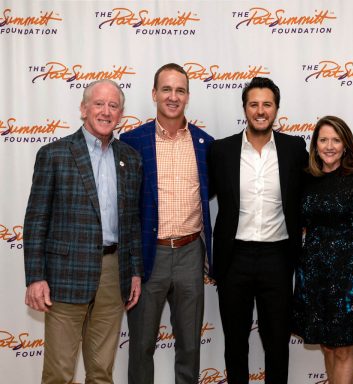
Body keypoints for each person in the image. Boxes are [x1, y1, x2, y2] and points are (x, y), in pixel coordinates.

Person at [23, 79, 143, 384]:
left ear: (121, 113)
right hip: (65, 273)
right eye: (99, 104)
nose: (106, 111)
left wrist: (135, 272)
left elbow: (131, 224)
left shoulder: (130, 158)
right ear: (83, 109)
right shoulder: (54, 154)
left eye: (113, 106)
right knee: (59, 373)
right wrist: (36, 277)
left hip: (114, 273)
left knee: (101, 372)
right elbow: (36, 220)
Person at [208, 77, 308, 384]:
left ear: (276, 109)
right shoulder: (221, 150)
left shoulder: (294, 148)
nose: (260, 111)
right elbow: (198, 194)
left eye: (267, 104)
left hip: (278, 257)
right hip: (233, 257)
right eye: (254, 104)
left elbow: (315, 187)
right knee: (235, 342)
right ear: (245, 108)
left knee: (277, 342)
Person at [120, 63, 214, 384]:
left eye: (180, 90)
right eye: (167, 89)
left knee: (189, 347)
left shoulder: (205, 144)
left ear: (187, 96)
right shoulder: (132, 141)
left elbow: (209, 194)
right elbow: (126, 207)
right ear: (154, 94)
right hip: (150, 257)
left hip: (190, 254)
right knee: (142, 346)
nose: (173, 97)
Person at [292, 115, 353, 384]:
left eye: (336, 140)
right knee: (327, 346)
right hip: (314, 275)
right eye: (323, 140)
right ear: (315, 145)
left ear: (345, 145)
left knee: (343, 348)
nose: (329, 146)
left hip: (349, 276)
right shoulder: (305, 180)